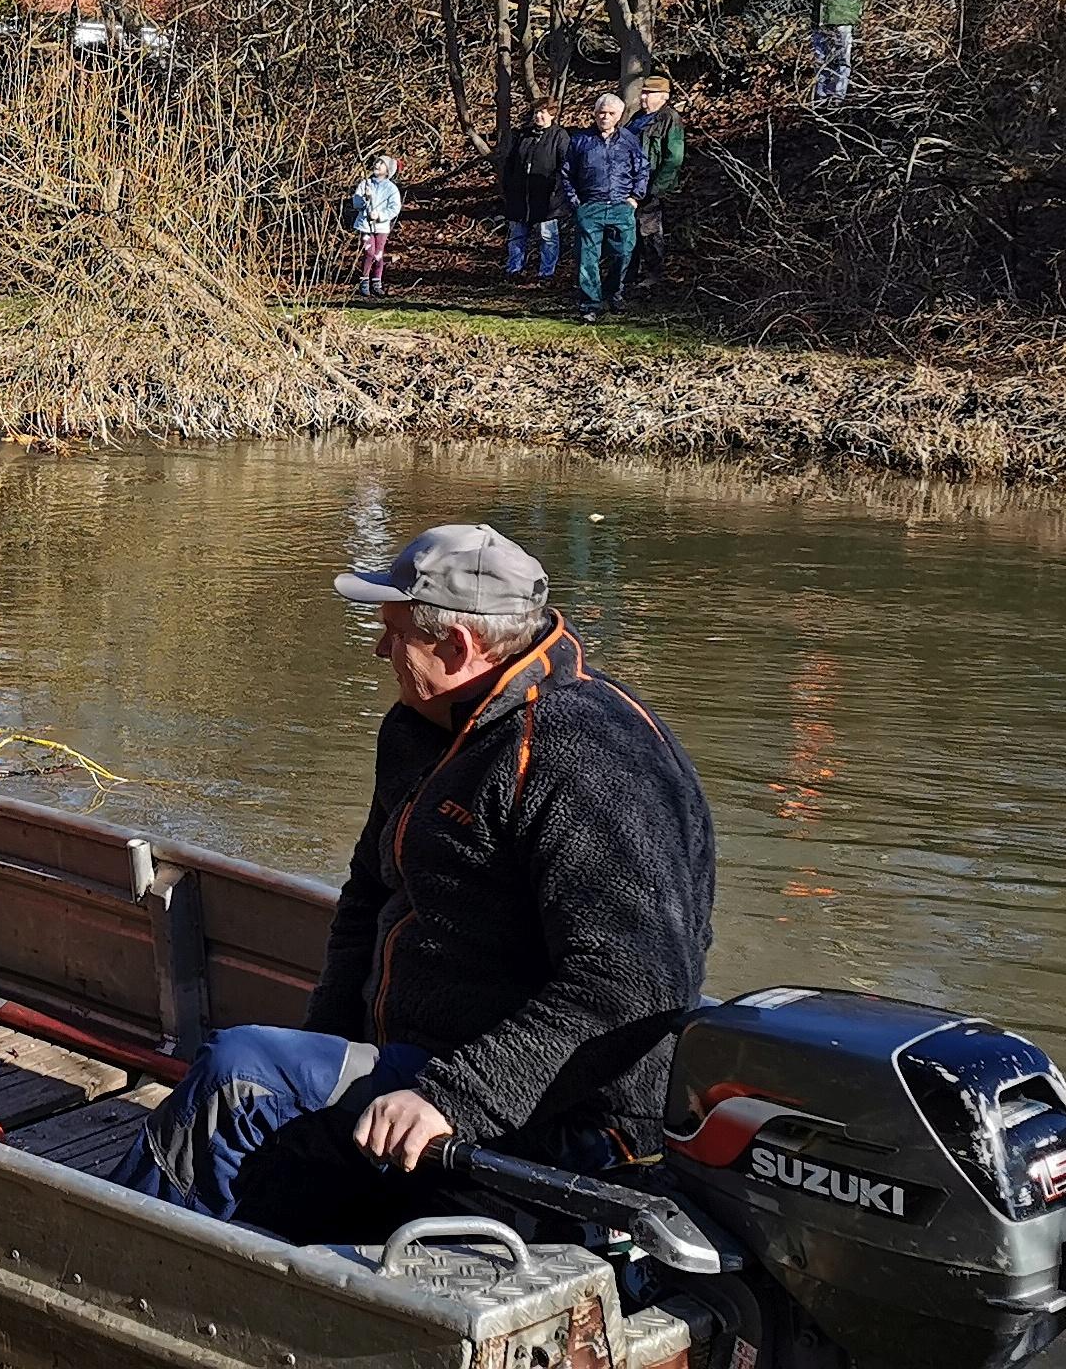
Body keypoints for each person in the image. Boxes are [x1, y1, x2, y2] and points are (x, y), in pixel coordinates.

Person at [107, 524, 714, 1243]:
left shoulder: (588, 761)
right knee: (270, 1104)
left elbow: (635, 987)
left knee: (238, 1077)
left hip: (564, 1118)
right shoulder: (419, 727)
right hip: (417, 1067)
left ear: (457, 647)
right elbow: (368, 896)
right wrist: (325, 1041)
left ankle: (99, 1259)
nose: (379, 650)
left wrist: (452, 1098)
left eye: (394, 634)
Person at [557, 92, 649, 322]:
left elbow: (642, 169)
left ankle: (613, 292)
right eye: (601, 112)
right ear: (594, 114)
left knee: (624, 252)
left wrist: (635, 198)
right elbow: (566, 174)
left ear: (619, 115)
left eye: (610, 113)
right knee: (587, 258)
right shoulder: (580, 140)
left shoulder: (629, 140)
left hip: (621, 206)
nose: (605, 117)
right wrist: (576, 203)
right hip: (590, 206)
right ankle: (590, 304)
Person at [494, 102, 569, 281]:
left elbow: (565, 166)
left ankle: (546, 273)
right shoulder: (523, 135)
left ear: (552, 115)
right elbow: (510, 163)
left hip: (547, 197)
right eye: (536, 112)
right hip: (519, 196)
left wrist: (556, 190)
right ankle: (514, 269)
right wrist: (508, 186)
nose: (538, 116)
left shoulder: (559, 136)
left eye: (543, 112)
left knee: (548, 237)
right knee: (516, 235)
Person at [629, 76, 686, 289]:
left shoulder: (670, 119)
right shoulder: (636, 118)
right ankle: (630, 273)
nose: (643, 97)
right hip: (631, 185)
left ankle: (654, 274)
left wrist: (656, 188)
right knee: (629, 230)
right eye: (643, 92)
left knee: (649, 230)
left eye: (649, 93)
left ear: (664, 97)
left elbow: (674, 157)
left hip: (652, 186)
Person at [349, 155, 404, 299]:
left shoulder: (391, 189)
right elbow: (356, 203)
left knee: (378, 254)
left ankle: (377, 282)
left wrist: (380, 215)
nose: (377, 165)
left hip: (381, 227)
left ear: (388, 170)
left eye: (382, 163)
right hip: (365, 226)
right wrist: (365, 199)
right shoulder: (365, 184)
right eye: (377, 162)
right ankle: (364, 281)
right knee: (369, 252)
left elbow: (394, 208)